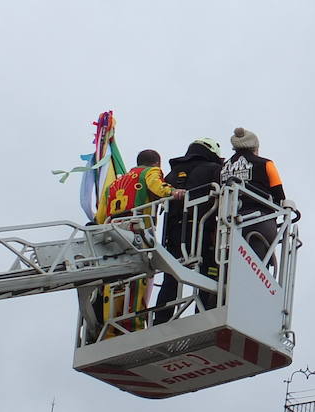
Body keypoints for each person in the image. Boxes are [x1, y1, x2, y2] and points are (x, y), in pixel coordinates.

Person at [95, 149, 183, 332]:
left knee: (114, 281)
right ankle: (132, 327)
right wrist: (173, 192)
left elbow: (101, 214)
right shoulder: (150, 172)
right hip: (136, 231)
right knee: (138, 279)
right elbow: (156, 186)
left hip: (112, 231)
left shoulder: (114, 184)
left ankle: (110, 330)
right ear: (157, 163)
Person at [155, 137, 225, 322]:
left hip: (173, 234)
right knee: (210, 272)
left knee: (171, 277)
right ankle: (203, 317)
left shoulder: (171, 175)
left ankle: (161, 320)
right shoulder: (214, 169)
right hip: (202, 231)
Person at [220, 127, 287, 262]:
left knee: (230, 268)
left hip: (227, 225)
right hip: (260, 222)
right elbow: (279, 195)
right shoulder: (266, 164)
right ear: (255, 148)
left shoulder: (222, 168)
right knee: (258, 270)